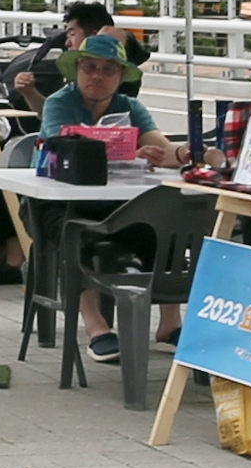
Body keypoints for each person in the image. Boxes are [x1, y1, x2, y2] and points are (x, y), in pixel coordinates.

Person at [39, 30, 189, 367]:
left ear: (121, 77)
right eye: (90, 67)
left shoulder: (131, 107)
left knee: (164, 225)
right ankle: (96, 327)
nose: (97, 76)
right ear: (76, 70)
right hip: (58, 201)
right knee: (72, 234)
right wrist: (129, 151)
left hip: (116, 204)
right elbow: (61, 146)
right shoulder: (59, 104)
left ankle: (170, 323)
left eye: (108, 70)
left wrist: (183, 152)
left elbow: (162, 149)